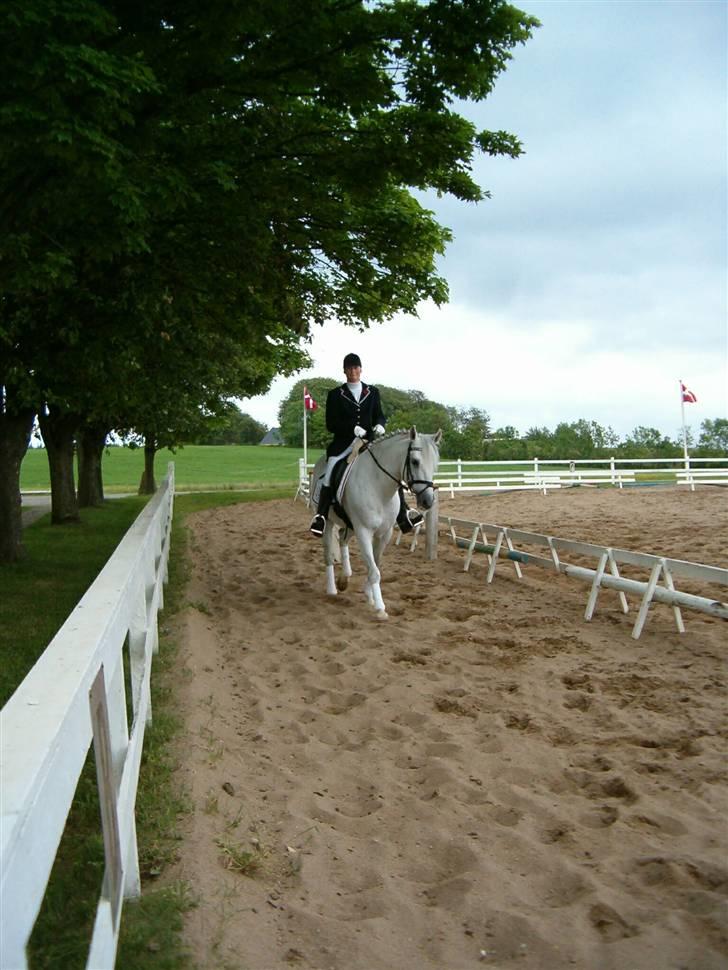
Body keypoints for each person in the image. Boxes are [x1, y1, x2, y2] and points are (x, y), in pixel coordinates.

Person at [309, 353, 424, 536]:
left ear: (361, 369)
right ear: (344, 371)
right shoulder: (335, 395)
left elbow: (379, 414)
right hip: (343, 443)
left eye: (356, 367)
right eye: (349, 368)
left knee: (389, 469)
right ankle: (321, 515)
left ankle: (403, 512)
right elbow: (331, 423)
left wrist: (380, 424)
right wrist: (351, 428)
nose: (353, 371)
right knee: (330, 470)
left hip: (369, 442)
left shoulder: (372, 392)